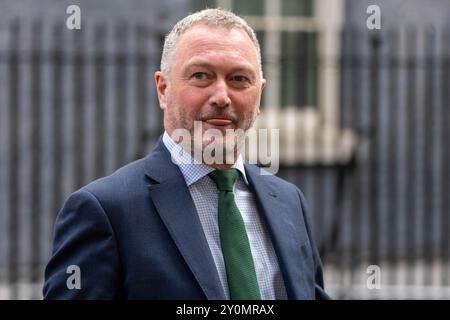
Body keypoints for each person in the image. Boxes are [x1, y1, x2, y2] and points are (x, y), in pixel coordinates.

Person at [43, 8, 329, 300]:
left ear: (260, 93)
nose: (221, 96)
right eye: (201, 75)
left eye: (239, 78)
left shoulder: (289, 201)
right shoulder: (105, 211)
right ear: (163, 89)